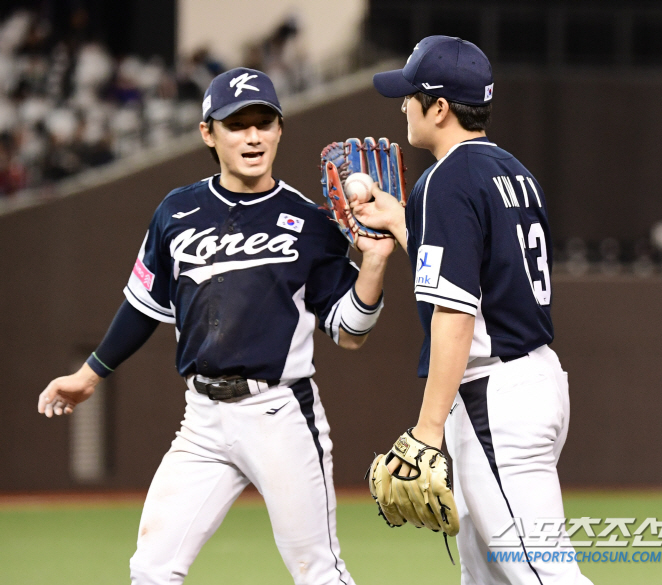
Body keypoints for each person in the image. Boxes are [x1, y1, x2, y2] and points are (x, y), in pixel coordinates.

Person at [38, 67, 395, 585]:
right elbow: (144, 306)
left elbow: (350, 331)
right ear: (209, 132)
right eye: (236, 124)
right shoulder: (176, 212)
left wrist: (377, 263)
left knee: (318, 571)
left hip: (279, 415)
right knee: (152, 568)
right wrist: (89, 376)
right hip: (202, 420)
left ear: (279, 129)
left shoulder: (314, 223)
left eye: (264, 122)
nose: (252, 136)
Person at [351, 37, 593, 584]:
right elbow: (476, 276)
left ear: (439, 108)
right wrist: (404, 223)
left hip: (494, 400)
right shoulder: (512, 172)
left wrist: (427, 430)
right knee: (486, 577)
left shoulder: (447, 179)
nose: (404, 105)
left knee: (544, 575)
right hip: (531, 381)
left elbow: (456, 315)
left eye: (411, 95)